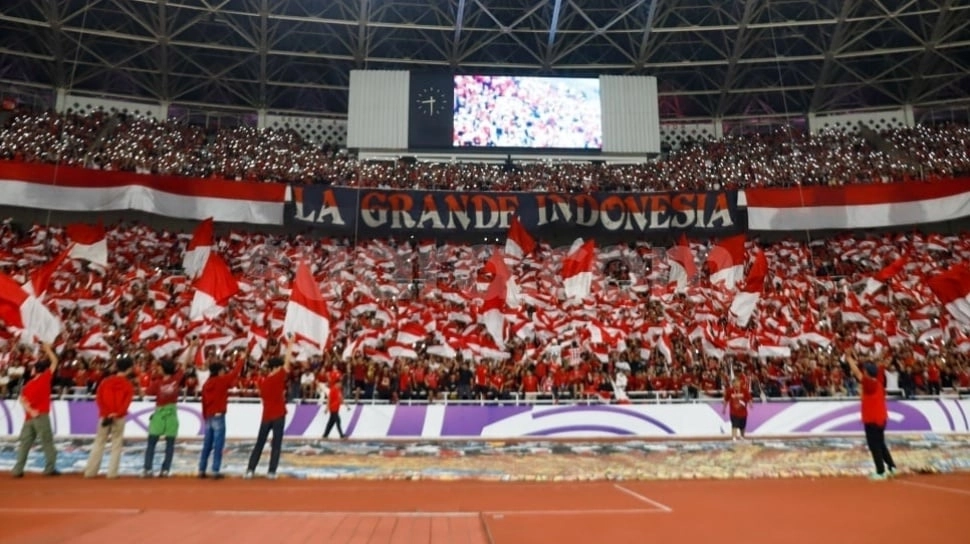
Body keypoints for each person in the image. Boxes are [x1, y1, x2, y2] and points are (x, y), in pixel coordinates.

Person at [142, 341, 195, 478]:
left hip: (161, 414)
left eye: (159, 367)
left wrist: (136, 385)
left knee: (153, 443)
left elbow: (146, 394)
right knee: (168, 444)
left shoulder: (157, 383)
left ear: (164, 369)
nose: (157, 369)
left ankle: (148, 469)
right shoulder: (175, 379)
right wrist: (191, 347)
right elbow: (185, 364)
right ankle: (164, 469)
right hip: (170, 414)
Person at [245, 337, 293, 479]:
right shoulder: (278, 378)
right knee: (276, 445)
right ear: (276, 368)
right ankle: (271, 471)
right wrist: (290, 344)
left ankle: (250, 469)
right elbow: (287, 363)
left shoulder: (263, 382)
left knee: (259, 443)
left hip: (266, 416)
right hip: (278, 416)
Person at [846, 349, 897, 480]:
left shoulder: (869, 383)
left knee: (874, 445)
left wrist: (849, 358)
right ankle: (891, 467)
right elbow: (880, 366)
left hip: (872, 419)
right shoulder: (879, 380)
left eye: (865, 371)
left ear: (867, 373)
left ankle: (880, 471)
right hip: (881, 418)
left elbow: (857, 372)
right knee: (880, 443)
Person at [11, 342, 59, 478]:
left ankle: (18, 469)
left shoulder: (28, 385)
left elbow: (22, 400)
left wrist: (30, 411)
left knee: (25, 444)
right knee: (47, 442)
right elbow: (55, 361)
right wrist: (48, 349)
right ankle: (49, 468)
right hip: (41, 416)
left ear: (35, 370)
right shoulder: (44, 379)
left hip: (29, 418)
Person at [83, 356, 135, 478]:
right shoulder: (128, 385)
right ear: (129, 369)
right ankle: (112, 473)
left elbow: (99, 400)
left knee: (99, 443)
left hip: (104, 417)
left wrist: (107, 413)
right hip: (119, 417)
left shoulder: (105, 382)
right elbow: (126, 403)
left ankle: (90, 472)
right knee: (116, 444)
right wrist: (116, 413)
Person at [198, 352, 245, 479]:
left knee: (207, 444)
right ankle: (215, 470)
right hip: (219, 416)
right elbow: (235, 373)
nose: (224, 372)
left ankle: (201, 469)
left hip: (209, 416)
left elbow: (203, 402)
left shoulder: (206, 384)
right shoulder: (221, 381)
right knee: (218, 444)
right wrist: (241, 358)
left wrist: (205, 416)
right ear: (219, 371)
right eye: (223, 370)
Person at [723, 376, 753, 441]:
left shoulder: (744, 390)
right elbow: (726, 400)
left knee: (743, 426)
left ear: (740, 383)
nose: (737, 385)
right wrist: (724, 408)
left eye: (738, 383)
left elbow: (749, 398)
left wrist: (750, 404)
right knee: (734, 425)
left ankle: (742, 437)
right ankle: (734, 437)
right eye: (735, 383)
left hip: (743, 412)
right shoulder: (730, 391)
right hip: (733, 412)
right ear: (733, 384)